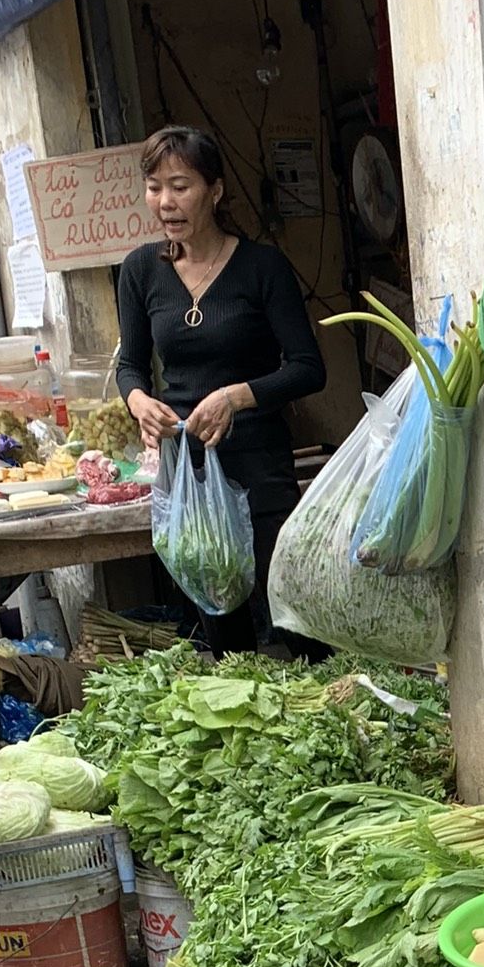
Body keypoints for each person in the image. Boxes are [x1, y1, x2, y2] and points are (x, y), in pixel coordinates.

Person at [116, 126, 326, 654]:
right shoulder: (141, 270)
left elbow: (307, 368)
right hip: (188, 469)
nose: (165, 202)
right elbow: (132, 366)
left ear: (216, 190)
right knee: (220, 627)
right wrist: (139, 402)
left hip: (260, 466)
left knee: (292, 620)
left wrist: (237, 396)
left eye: (181, 186)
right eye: (154, 187)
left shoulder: (262, 268)